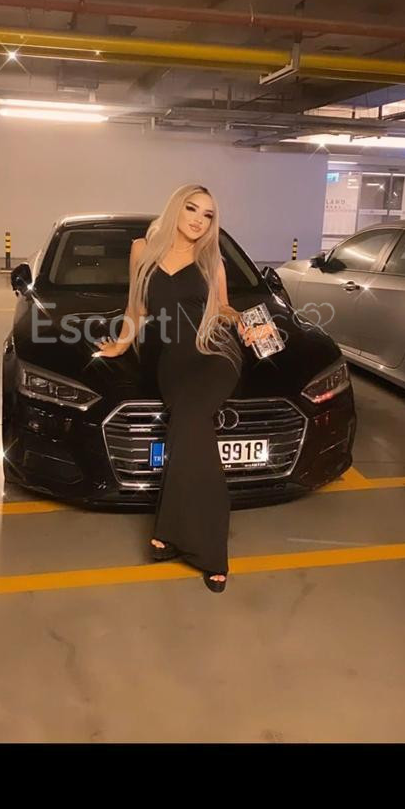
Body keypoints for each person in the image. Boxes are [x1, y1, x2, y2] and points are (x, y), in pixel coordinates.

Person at [95, 184, 277, 593]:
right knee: (187, 427)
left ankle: (211, 552)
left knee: (191, 421)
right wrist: (121, 344)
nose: (199, 219)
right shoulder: (142, 250)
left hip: (214, 353)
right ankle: (168, 531)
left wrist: (244, 322)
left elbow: (223, 307)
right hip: (173, 360)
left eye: (208, 215)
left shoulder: (211, 259)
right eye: (192, 209)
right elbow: (136, 307)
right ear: (176, 208)